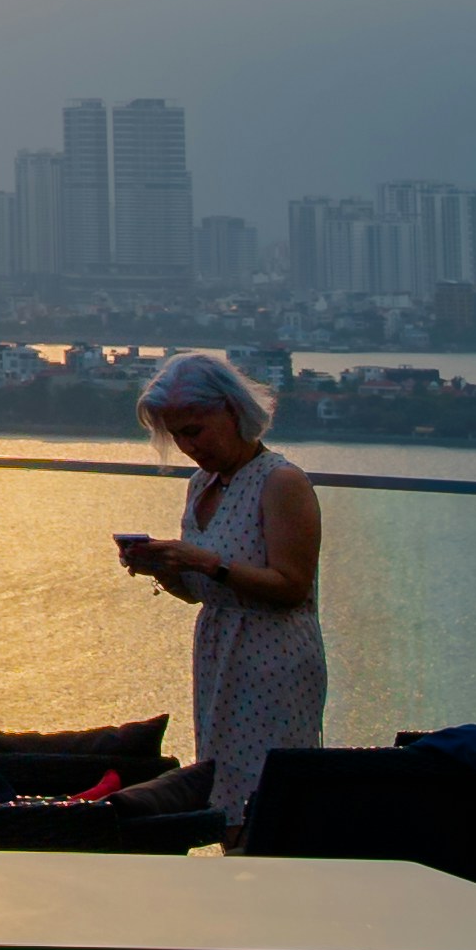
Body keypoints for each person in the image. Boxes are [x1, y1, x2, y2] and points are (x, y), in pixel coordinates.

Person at [115, 348, 324, 812]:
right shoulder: (202, 484)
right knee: (220, 784)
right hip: (218, 648)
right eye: (177, 436)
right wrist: (167, 569)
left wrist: (207, 563)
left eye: (194, 431)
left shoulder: (281, 482)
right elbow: (200, 593)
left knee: (263, 793)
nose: (189, 446)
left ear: (232, 412)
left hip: (273, 657)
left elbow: (292, 588)